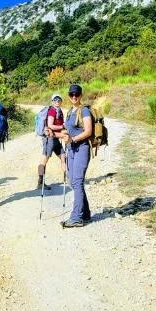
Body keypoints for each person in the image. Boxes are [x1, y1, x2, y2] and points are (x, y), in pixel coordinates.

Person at [57, 84, 93, 227]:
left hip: (82, 149)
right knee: (73, 182)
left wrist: (74, 139)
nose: (74, 97)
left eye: (76, 94)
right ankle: (86, 213)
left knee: (77, 182)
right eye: (71, 94)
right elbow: (66, 132)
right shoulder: (70, 112)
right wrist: (53, 133)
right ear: (68, 95)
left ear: (80, 95)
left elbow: (88, 131)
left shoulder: (84, 111)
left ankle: (76, 217)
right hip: (70, 150)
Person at [38, 93, 66, 190]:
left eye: (59, 100)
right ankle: (40, 183)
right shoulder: (52, 111)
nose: (57, 101)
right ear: (52, 101)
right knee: (44, 160)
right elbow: (50, 125)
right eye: (55, 100)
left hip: (56, 139)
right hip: (49, 139)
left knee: (63, 157)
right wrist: (62, 127)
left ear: (61, 101)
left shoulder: (59, 111)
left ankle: (68, 179)